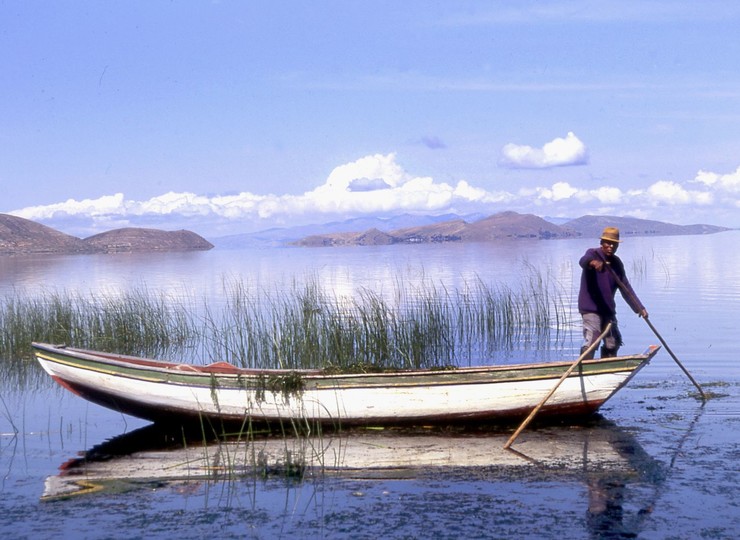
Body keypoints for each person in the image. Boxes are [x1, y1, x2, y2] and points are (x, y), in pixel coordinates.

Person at [578, 227, 648, 359]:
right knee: (593, 340)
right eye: (608, 243)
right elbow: (583, 261)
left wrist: (639, 307)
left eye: (614, 244)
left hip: (607, 310)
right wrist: (593, 263)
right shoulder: (593, 254)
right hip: (591, 308)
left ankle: (606, 369)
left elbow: (625, 288)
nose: (610, 247)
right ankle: (584, 372)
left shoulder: (616, 263)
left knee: (613, 342)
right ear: (602, 243)